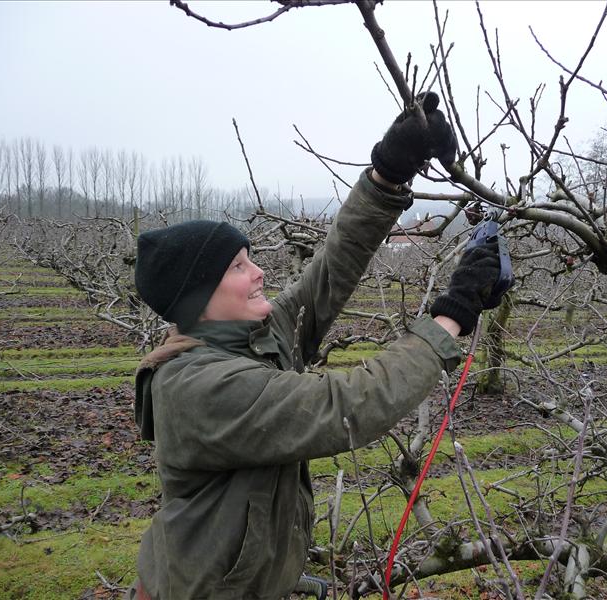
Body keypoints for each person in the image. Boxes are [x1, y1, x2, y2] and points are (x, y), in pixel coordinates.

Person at [129, 93, 504, 600]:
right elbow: (344, 407)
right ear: (200, 298)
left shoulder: (247, 341)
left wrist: (387, 175)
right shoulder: (198, 387)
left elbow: (328, 273)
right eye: (238, 267)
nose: (259, 271)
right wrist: (452, 314)